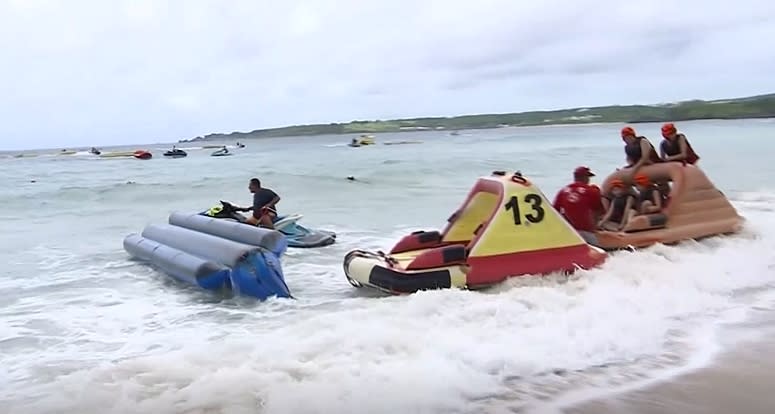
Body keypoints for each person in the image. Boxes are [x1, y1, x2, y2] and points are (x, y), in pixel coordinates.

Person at [553, 166, 604, 244]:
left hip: (569, 231)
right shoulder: (592, 191)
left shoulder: (563, 191)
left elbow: (555, 212)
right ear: (585, 178)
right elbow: (599, 212)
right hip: (586, 231)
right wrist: (595, 227)